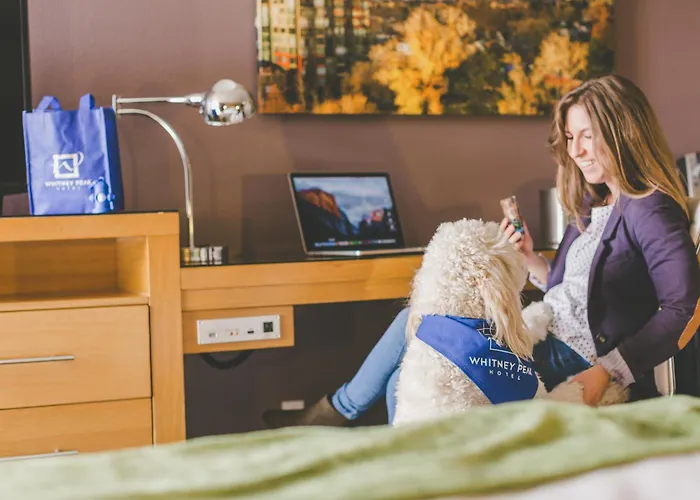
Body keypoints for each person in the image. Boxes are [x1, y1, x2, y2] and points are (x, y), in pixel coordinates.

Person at [262, 74, 700, 428]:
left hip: (572, 358)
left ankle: (334, 418)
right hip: (541, 334)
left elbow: (681, 305)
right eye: (571, 137)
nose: (576, 150)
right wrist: (530, 259)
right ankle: (363, 435)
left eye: (588, 135)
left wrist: (609, 370)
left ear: (623, 131)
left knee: (421, 331)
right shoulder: (596, 201)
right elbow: (569, 290)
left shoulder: (651, 208)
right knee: (409, 355)